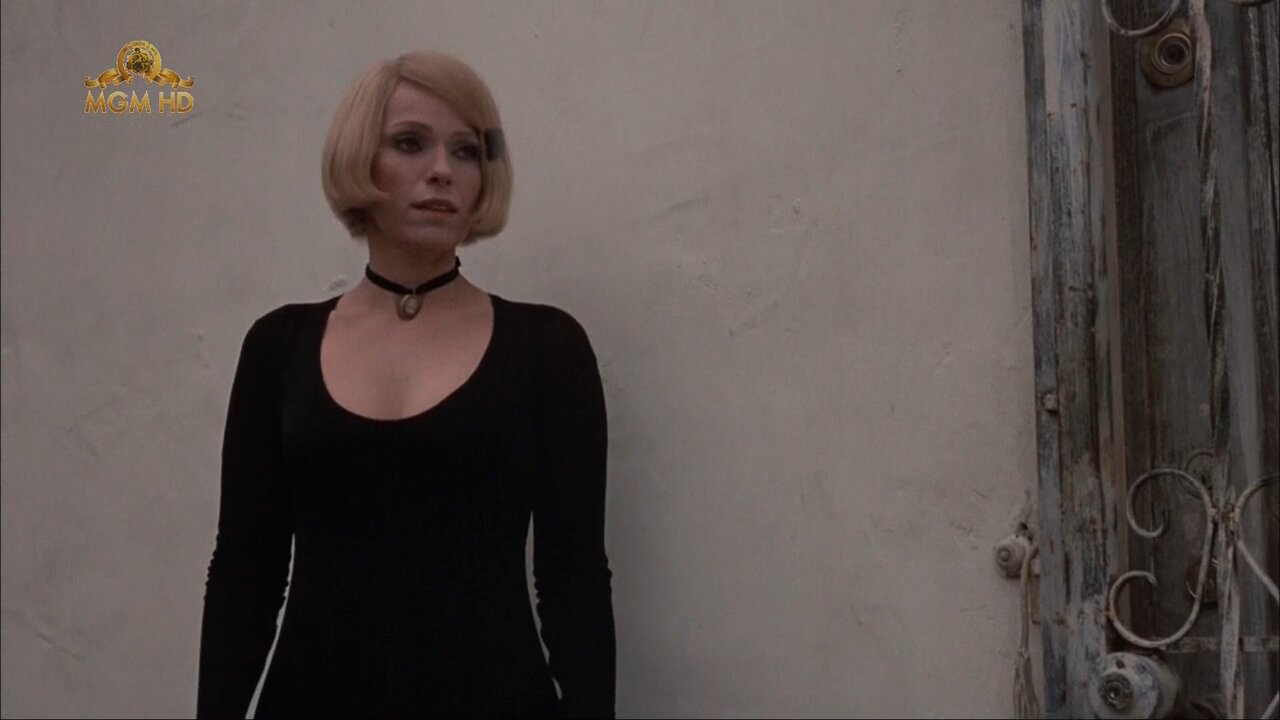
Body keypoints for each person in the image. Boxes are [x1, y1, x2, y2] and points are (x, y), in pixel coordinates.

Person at [196, 50, 616, 719]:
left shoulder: (546, 349)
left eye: (467, 150)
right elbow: (246, 571)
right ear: (360, 157)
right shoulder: (279, 347)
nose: (442, 170)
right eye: (410, 143)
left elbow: (574, 578)